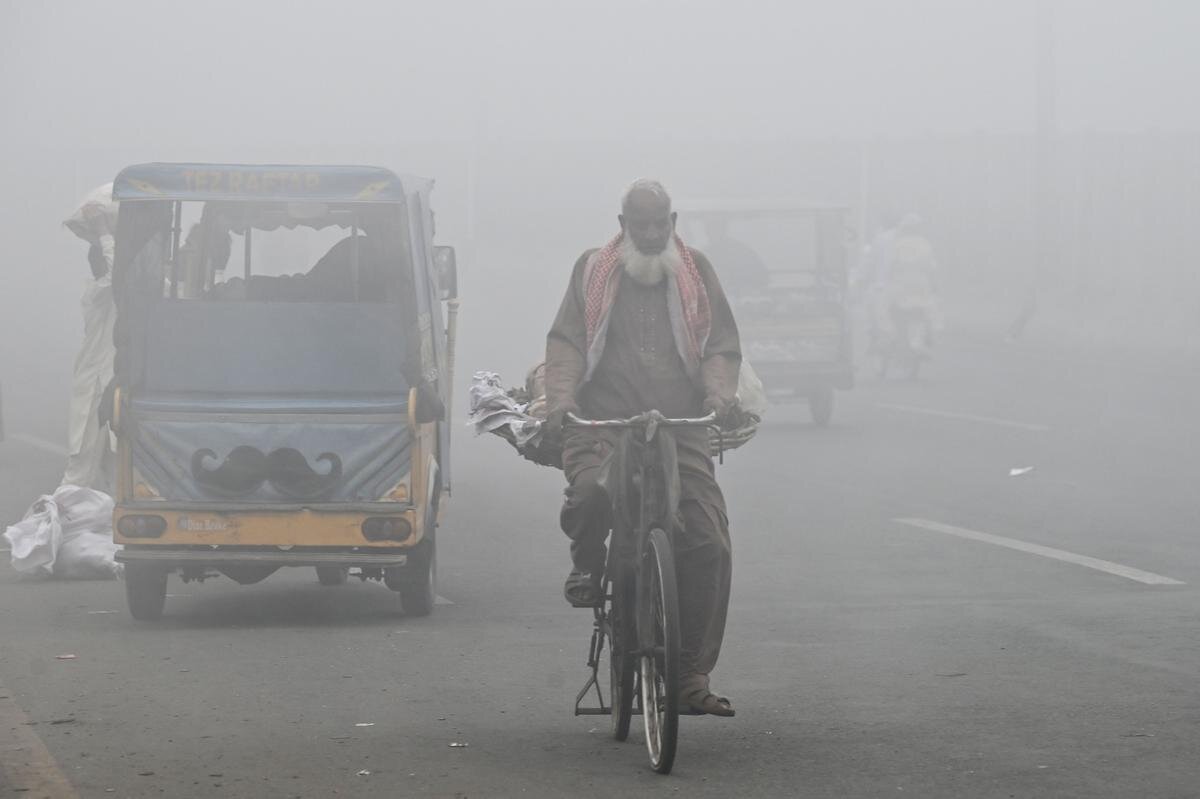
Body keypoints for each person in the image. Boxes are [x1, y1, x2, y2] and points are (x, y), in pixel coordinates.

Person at [544, 179, 742, 717]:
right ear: (623, 224)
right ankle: (587, 566)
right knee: (590, 492)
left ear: (673, 222)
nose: (651, 234)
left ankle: (689, 676)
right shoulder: (593, 270)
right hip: (603, 423)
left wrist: (720, 393)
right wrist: (560, 399)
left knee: (708, 542)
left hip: (680, 426)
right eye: (641, 225)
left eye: (660, 224)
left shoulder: (696, 270)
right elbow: (565, 343)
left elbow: (720, 345)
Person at [62, 185, 119, 491]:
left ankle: (110, 534)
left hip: (112, 386)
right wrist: (103, 231)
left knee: (118, 469)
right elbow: (116, 274)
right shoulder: (97, 294)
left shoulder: (118, 296)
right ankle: (48, 527)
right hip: (94, 388)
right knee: (80, 470)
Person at [702, 217, 769, 295]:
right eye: (709, 230)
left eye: (715, 229)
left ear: (723, 230)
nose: (710, 233)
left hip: (742, 295)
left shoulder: (742, 251)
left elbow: (762, 277)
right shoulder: (705, 253)